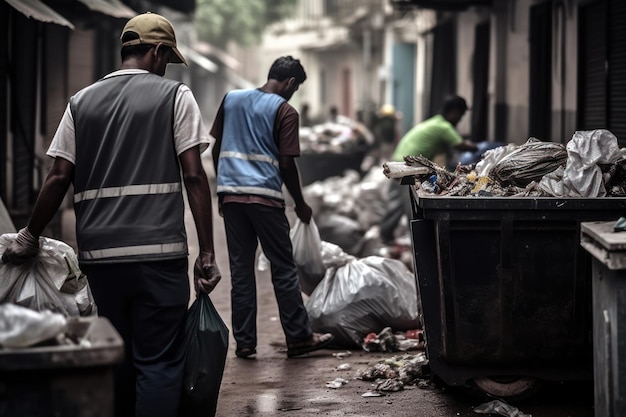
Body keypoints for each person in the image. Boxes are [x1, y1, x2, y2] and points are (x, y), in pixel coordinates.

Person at [1, 12, 221, 417]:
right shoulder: (175, 96)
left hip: (101, 261)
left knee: (117, 357)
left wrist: (29, 236)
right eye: (166, 58)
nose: (165, 67)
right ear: (156, 52)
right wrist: (206, 253)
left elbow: (57, 178)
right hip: (160, 255)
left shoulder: (79, 102)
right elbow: (194, 174)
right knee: (158, 363)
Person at [210, 55, 334, 360]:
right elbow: (286, 163)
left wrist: (223, 187)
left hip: (232, 197)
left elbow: (216, 149)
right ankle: (299, 337)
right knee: (283, 268)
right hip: (265, 199)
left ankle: (246, 343)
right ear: (291, 83)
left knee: (241, 271)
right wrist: (300, 203)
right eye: (296, 88)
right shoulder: (285, 110)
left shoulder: (231, 99)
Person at [380, 95, 477, 242]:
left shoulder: (435, 122)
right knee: (411, 205)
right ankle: (417, 240)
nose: (460, 120)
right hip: (409, 167)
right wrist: (483, 146)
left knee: (396, 201)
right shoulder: (444, 127)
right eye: (461, 116)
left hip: (399, 160)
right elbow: (462, 145)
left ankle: (385, 234)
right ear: (455, 113)